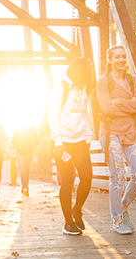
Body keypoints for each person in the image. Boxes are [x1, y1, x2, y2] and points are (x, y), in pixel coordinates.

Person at [97, 45, 136, 235]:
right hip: (111, 134)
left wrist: (122, 102)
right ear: (109, 60)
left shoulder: (133, 81)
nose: (121, 60)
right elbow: (106, 108)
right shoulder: (103, 81)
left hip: (131, 134)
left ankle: (124, 205)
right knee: (117, 176)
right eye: (117, 57)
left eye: (123, 56)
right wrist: (131, 106)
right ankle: (117, 218)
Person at [47, 57, 95, 236]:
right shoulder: (60, 88)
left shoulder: (84, 88)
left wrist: (88, 137)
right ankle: (68, 222)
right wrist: (58, 142)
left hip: (80, 141)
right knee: (67, 182)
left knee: (87, 178)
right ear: (78, 72)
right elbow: (53, 116)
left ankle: (77, 209)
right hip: (63, 143)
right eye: (88, 71)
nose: (90, 74)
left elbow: (85, 114)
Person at [11, 123, 39, 197]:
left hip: (29, 152)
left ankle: (25, 187)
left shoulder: (32, 129)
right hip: (20, 153)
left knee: (27, 170)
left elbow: (36, 140)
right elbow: (13, 141)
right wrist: (18, 147)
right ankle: (25, 188)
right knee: (23, 169)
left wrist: (32, 147)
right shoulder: (17, 129)